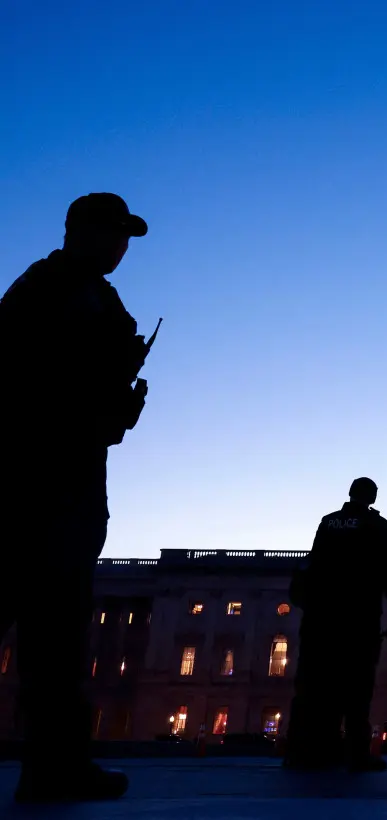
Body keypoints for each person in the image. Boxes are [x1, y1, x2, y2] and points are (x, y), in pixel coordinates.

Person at [0, 193, 154, 802]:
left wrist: (120, 404)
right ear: (81, 230)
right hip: (38, 475)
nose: (122, 246)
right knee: (48, 621)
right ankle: (55, 765)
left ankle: (55, 765)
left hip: (70, 468)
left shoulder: (89, 291)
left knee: (59, 630)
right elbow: (31, 382)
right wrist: (104, 396)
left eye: (126, 237)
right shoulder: (50, 288)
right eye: (115, 233)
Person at [284, 477, 387, 773]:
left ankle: (303, 751)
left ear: (351, 494)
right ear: (372, 497)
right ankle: (355, 753)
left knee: (313, 686)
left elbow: (311, 563)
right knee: (356, 688)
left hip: (321, 618)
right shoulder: (378, 526)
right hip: (358, 617)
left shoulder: (329, 523)